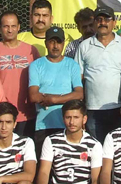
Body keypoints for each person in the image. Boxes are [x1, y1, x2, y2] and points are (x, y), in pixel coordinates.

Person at [34, 100, 103, 184]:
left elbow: (96, 180)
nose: (72, 122)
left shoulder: (94, 144)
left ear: (84, 119)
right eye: (68, 117)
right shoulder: (51, 140)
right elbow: (44, 171)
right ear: (63, 118)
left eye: (76, 117)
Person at [75, 6, 121, 143]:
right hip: (93, 109)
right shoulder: (84, 46)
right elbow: (78, 78)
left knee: (119, 149)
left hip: (119, 108)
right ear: (95, 22)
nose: (103, 23)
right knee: (97, 149)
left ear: (114, 22)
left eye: (107, 19)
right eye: (99, 19)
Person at [28, 27, 84, 155]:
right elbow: (33, 96)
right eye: (52, 42)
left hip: (68, 125)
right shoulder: (36, 65)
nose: (55, 46)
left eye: (58, 42)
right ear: (46, 43)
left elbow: (79, 94)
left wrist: (53, 99)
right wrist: (67, 97)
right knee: (44, 166)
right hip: (43, 126)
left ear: (63, 43)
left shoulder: (72, 65)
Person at [0, 11, 40, 138]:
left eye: (13, 26)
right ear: (0, 28)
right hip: (3, 116)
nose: (10, 30)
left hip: (27, 114)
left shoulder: (31, 50)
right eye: (6, 26)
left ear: (19, 27)